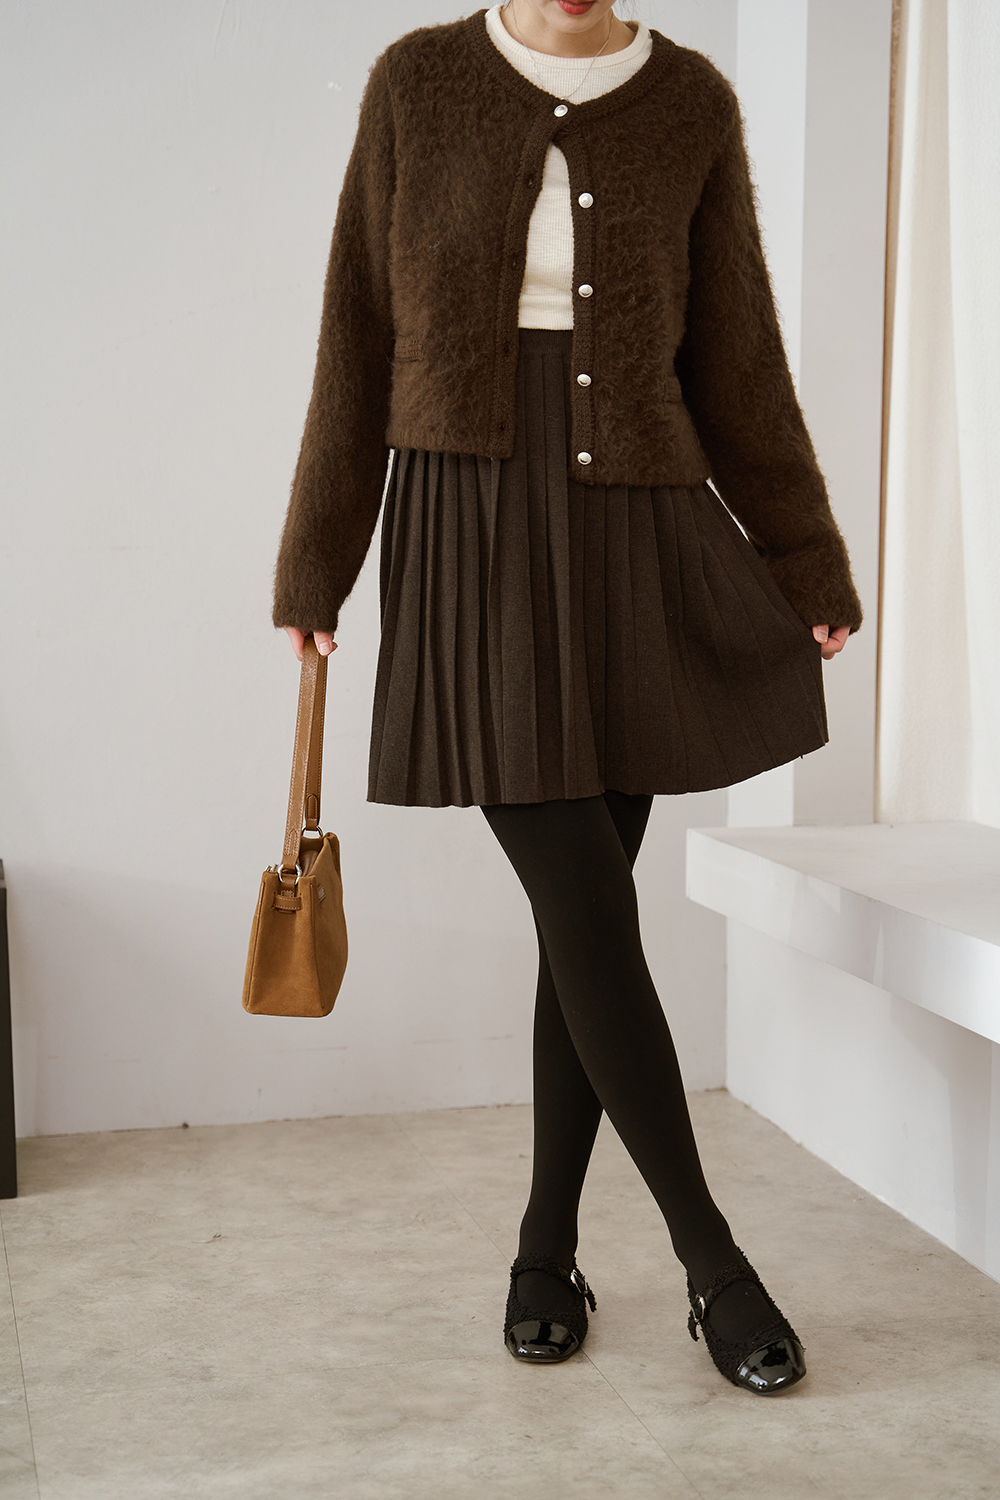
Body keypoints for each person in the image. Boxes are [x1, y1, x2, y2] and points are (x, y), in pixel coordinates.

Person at [273, 0, 861, 1395]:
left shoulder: (691, 102)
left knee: (580, 923)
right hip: (468, 528)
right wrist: (317, 559)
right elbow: (357, 327)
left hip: (637, 529)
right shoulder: (419, 83)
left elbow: (736, 350)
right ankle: (714, 1262)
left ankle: (546, 1251)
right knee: (588, 905)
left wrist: (803, 554)